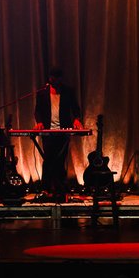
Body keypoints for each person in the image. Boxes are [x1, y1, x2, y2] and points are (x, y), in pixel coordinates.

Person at [33, 66, 84, 199]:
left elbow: (75, 108)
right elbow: (37, 110)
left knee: (60, 160)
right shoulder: (42, 92)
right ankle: (45, 188)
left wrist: (77, 120)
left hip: (62, 131)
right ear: (49, 78)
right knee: (48, 159)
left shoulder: (68, 91)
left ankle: (60, 189)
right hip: (48, 132)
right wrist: (39, 122)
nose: (53, 80)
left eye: (56, 78)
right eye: (51, 77)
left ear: (60, 79)